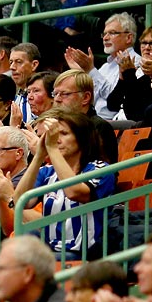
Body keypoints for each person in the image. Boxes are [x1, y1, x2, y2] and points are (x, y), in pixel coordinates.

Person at [14, 107, 115, 257]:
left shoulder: (100, 169)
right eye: (54, 135)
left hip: (83, 252)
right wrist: (39, 157)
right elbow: (20, 201)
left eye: (64, 134)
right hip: (50, 249)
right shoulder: (47, 172)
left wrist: (52, 148)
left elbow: (74, 192)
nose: (57, 139)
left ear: (82, 138)